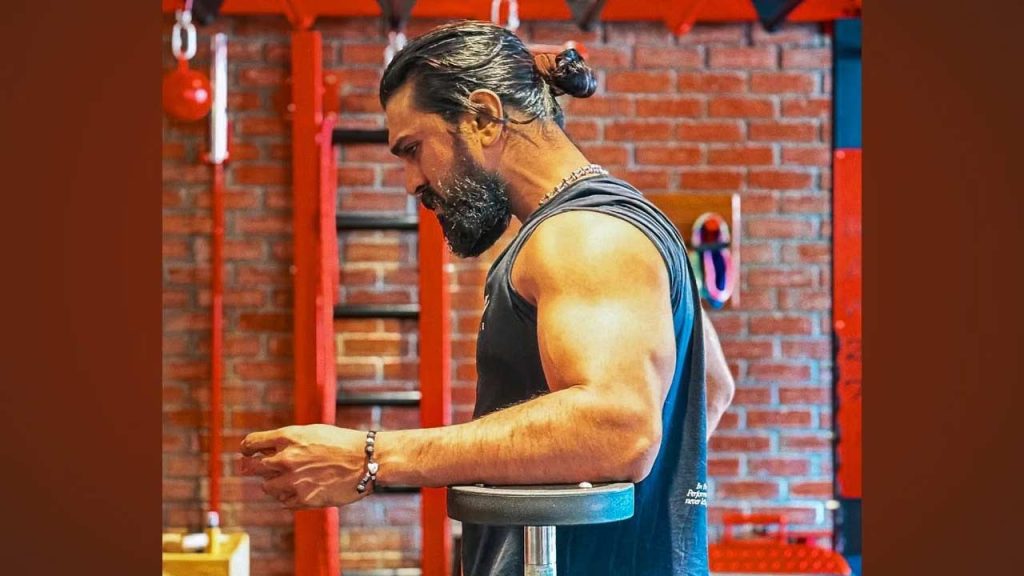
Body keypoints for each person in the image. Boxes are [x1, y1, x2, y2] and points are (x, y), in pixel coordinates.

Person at [241, 20, 735, 576]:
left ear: (482, 117)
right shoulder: (621, 221)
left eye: (414, 149)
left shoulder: (584, 236)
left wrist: (372, 457)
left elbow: (619, 427)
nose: (411, 181)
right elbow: (712, 387)